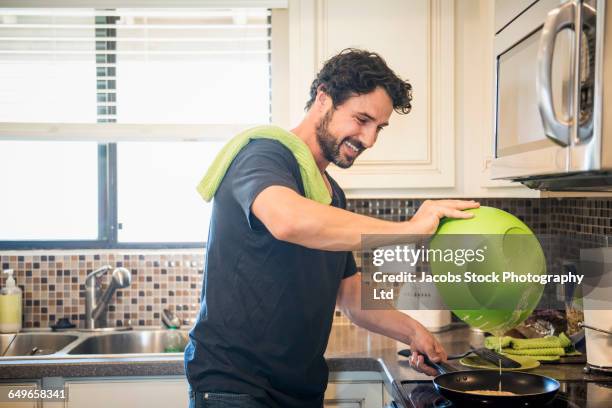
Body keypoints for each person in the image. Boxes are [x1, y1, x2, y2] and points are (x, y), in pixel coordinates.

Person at [185, 48, 479, 408]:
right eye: (361, 119)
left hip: (300, 388)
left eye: (378, 128)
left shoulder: (330, 193)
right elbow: (288, 220)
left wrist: (414, 332)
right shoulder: (263, 155)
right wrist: (412, 229)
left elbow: (352, 298)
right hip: (235, 387)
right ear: (323, 99)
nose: (369, 140)